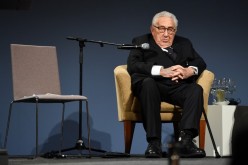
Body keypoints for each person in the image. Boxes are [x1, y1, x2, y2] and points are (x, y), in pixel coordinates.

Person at [127, 11, 207, 158]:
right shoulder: (142, 41)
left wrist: (189, 70)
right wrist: (161, 71)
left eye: (170, 30)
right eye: (161, 28)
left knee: (195, 89)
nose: (166, 34)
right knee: (148, 84)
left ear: (175, 31)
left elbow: (200, 62)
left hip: (176, 86)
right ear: (153, 29)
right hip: (152, 85)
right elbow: (133, 65)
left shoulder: (184, 43)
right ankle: (154, 143)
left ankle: (186, 141)